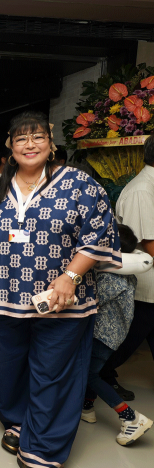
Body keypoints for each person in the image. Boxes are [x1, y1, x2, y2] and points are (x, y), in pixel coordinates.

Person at [0, 111, 121, 468]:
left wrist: (70, 276)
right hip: (6, 302)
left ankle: (41, 454)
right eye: (21, 139)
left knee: (53, 374)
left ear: (50, 140)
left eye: (37, 136)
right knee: (9, 371)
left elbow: (101, 231)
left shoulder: (78, 184)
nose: (30, 145)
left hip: (62, 303)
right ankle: (20, 424)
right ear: (10, 145)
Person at [81, 223, 153, 445]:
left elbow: (94, 300)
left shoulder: (112, 277)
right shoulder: (126, 272)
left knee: (90, 374)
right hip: (113, 335)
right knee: (96, 370)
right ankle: (88, 407)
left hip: (104, 335)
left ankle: (130, 417)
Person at [99, 135, 154, 400]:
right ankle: (96, 379)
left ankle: (100, 377)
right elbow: (147, 243)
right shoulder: (142, 190)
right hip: (143, 287)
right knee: (119, 344)